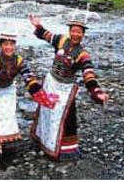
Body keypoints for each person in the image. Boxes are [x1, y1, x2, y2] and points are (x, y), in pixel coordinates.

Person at [28, 14, 108, 161]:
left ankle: (66, 149)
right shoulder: (61, 40)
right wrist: (37, 26)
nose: (76, 34)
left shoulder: (83, 55)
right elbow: (46, 35)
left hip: (66, 88)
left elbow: (88, 74)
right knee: (47, 113)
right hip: (51, 83)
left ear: (83, 35)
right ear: (69, 31)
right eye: (74, 30)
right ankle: (42, 140)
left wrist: (96, 91)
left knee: (68, 117)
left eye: (79, 32)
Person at [0, 32, 57, 164]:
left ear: (14, 46)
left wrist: (41, 95)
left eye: (11, 44)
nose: (8, 47)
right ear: (1, 45)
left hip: (9, 90)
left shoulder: (19, 60)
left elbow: (28, 78)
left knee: (8, 114)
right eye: (5, 44)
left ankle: (4, 141)